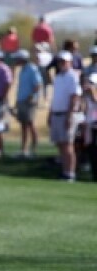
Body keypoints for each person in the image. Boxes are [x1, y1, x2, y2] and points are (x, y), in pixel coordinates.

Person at [48, 51, 81, 182]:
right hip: (57, 112)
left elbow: (74, 97)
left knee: (68, 144)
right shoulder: (58, 77)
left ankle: (70, 172)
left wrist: (69, 115)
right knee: (60, 144)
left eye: (64, 61)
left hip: (66, 114)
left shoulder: (72, 76)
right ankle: (64, 171)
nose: (62, 63)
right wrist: (50, 113)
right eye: (60, 61)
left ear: (70, 62)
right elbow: (55, 97)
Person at [11, 49, 42, 159]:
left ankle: (33, 150)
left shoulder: (32, 68)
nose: (15, 60)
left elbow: (38, 85)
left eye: (17, 58)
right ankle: (24, 150)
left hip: (29, 101)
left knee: (30, 124)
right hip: (22, 100)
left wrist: (31, 97)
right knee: (24, 125)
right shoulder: (22, 70)